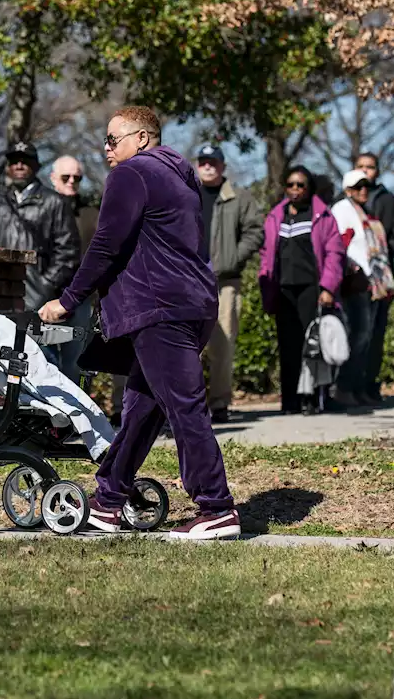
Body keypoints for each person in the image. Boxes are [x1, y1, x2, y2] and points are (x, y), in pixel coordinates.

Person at [39, 106, 238, 540]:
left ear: (143, 138)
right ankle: (109, 501)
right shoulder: (181, 177)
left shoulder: (133, 175)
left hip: (159, 309)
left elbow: (107, 245)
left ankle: (216, 507)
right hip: (192, 306)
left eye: (114, 139)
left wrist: (68, 300)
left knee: (185, 409)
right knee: (141, 411)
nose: (106, 148)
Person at [257, 166, 346, 415]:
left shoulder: (322, 216)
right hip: (284, 290)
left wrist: (328, 287)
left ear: (309, 188)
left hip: (312, 289)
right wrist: (266, 285)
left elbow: (335, 254)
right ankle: (290, 401)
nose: (295, 190)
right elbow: (267, 254)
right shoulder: (276, 216)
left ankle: (314, 398)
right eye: (291, 185)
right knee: (288, 345)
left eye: (301, 185)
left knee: (313, 346)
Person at [195, 144, 264, 423]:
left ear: (223, 166)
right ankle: (192, 408)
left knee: (221, 347)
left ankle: (220, 405)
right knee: (188, 349)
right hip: (189, 283)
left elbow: (255, 230)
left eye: (213, 162)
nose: (208, 166)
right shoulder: (186, 195)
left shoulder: (240, 198)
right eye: (203, 162)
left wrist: (233, 258)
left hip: (225, 283)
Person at [0, 140, 80, 313]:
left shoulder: (55, 202)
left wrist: (44, 287)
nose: (19, 165)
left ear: (37, 166)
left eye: (25, 161)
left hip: (37, 301)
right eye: (14, 161)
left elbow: (68, 253)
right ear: (7, 167)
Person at [330, 169, 394, 408]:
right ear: (347, 190)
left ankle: (358, 387)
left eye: (366, 186)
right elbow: (338, 244)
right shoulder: (342, 210)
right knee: (357, 335)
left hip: (373, 283)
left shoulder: (366, 212)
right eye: (358, 187)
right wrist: (351, 268)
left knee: (367, 338)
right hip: (354, 283)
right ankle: (343, 387)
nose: (363, 191)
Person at [352, 152, 394, 405]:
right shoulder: (346, 202)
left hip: (381, 279)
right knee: (356, 332)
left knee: (375, 333)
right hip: (353, 278)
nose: (365, 171)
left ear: (378, 171)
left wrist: (379, 251)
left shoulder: (391, 203)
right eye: (361, 167)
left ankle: (370, 385)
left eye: (370, 167)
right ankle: (349, 386)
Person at [50, 155, 98, 383]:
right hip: (46, 295)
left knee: (76, 360)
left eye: (77, 178)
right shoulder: (42, 210)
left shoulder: (91, 215)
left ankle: (76, 415)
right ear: (53, 179)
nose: (71, 181)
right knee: (43, 360)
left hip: (80, 297)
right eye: (65, 177)